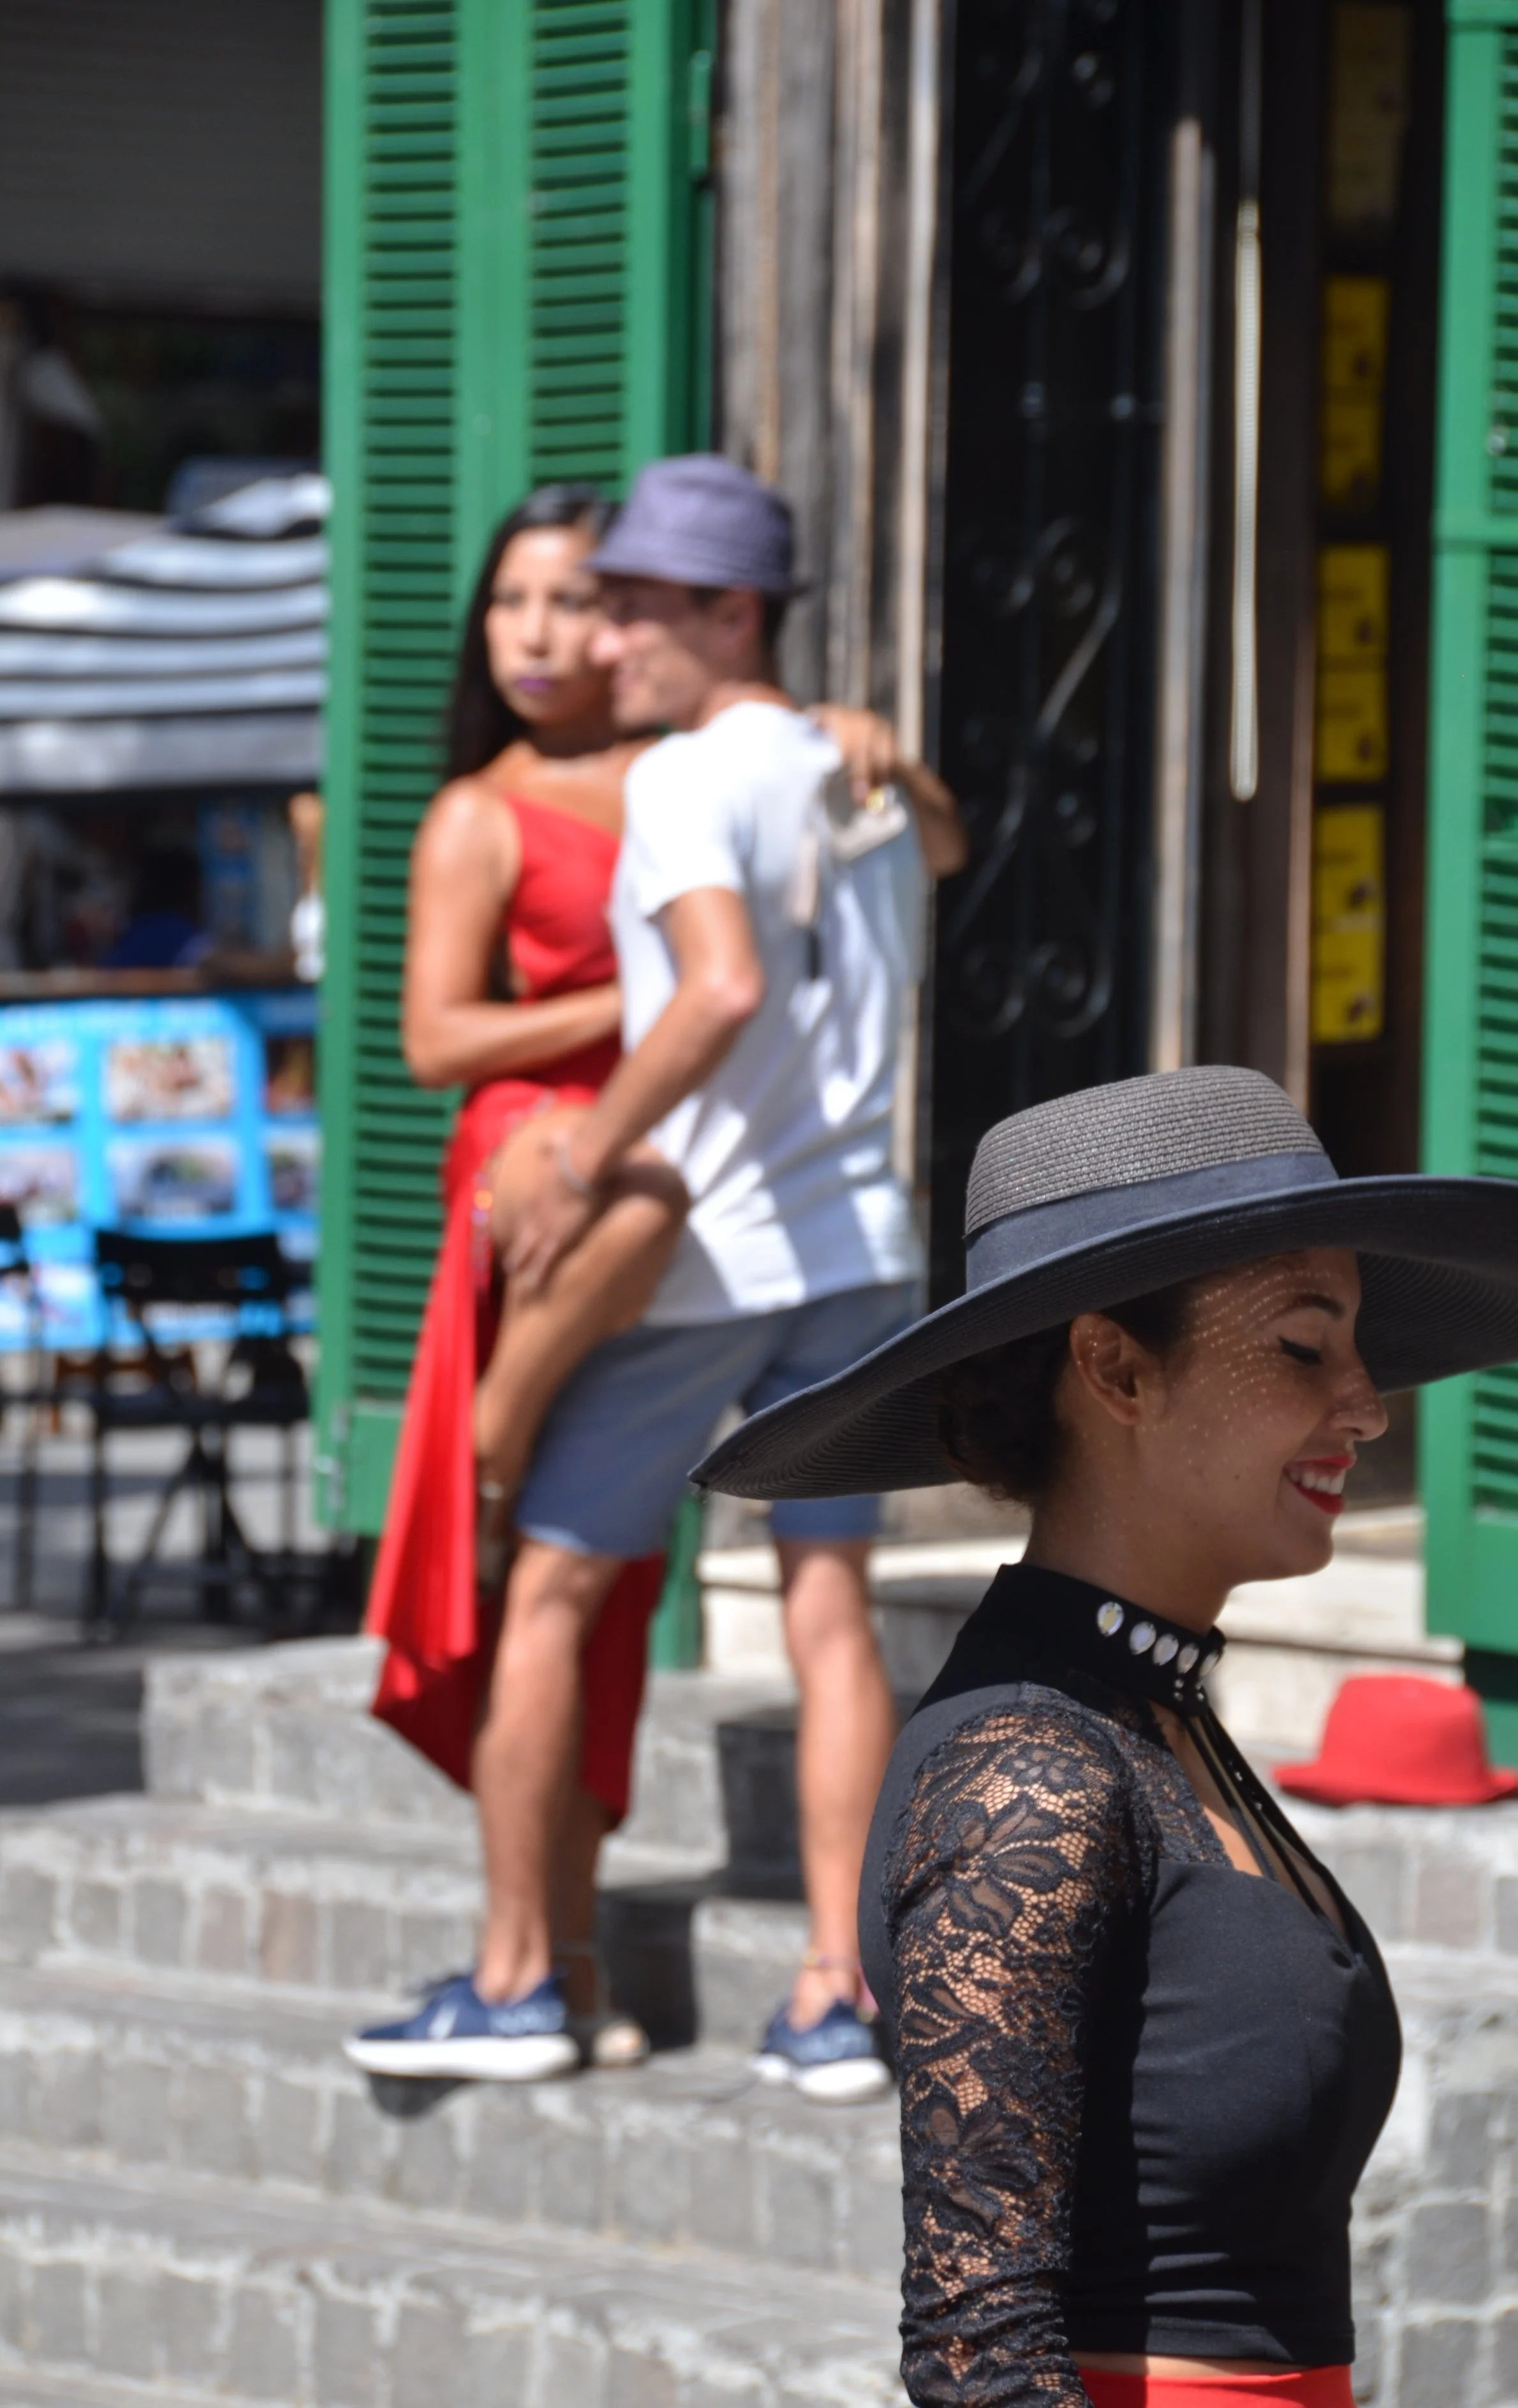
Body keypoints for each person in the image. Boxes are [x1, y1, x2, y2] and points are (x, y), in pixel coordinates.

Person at [693, 1063, 1518, 2406]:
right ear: (1113, 1368)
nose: (1363, 1405)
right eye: (1302, 1345)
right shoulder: (1026, 1769)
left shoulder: (1156, 1715)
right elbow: (979, 2359)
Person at [351, 466, 959, 2085]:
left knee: (545, 1594)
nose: (599, 635)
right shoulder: (865, 777)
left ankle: (515, 1984)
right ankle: (842, 1991)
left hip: (710, 1245)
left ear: (726, 613)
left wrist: (578, 1151)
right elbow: (941, 855)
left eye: (630, 603)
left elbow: (717, 990)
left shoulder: (691, 778)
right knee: (829, 1613)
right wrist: (872, 739)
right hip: (859, 1247)